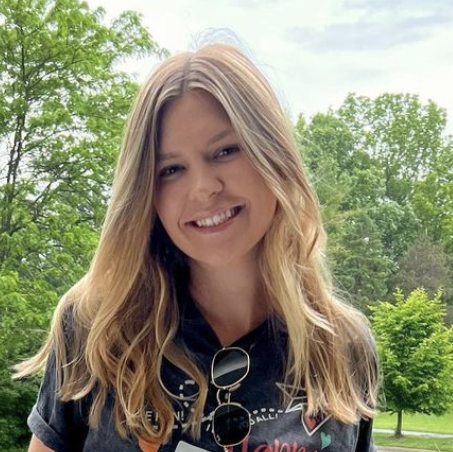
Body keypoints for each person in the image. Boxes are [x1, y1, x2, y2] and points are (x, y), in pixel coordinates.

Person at [15, 42, 379, 452]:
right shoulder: (96, 326)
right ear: (146, 192)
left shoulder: (344, 346)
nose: (204, 187)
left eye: (225, 150)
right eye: (171, 169)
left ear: (273, 155)